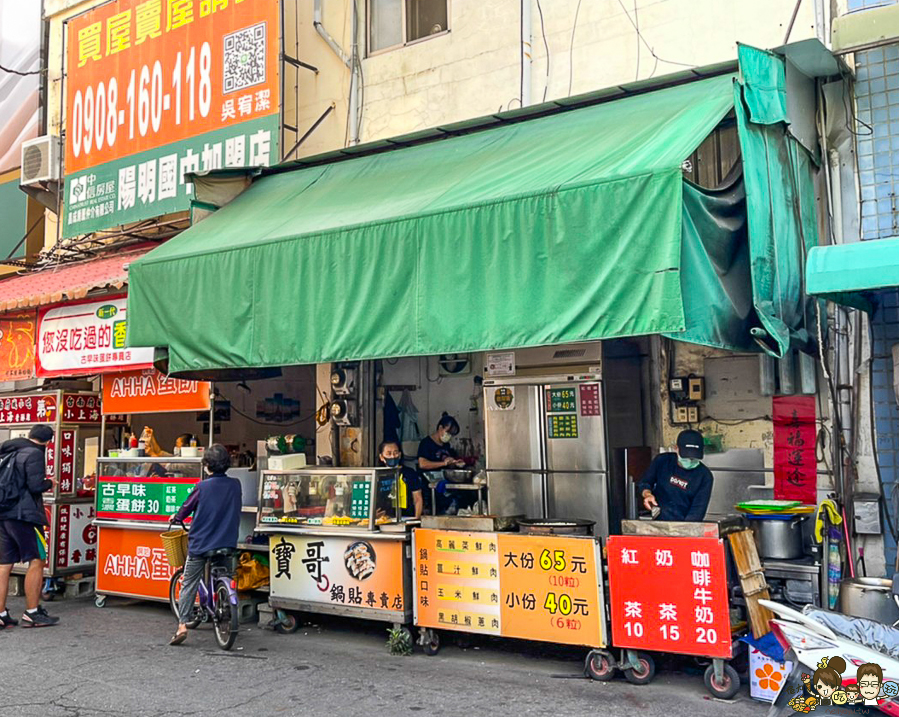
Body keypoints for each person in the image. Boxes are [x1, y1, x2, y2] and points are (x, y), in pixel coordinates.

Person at [168, 444, 241, 646]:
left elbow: (185, 509)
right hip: (227, 541)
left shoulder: (202, 487)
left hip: (201, 543)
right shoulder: (235, 484)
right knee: (226, 574)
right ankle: (225, 602)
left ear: (207, 465)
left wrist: (176, 517)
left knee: (189, 581)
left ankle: (182, 625)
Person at [0, 425, 59, 628]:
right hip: (25, 515)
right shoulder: (34, 453)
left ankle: (0, 613)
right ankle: (32, 612)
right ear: (47, 441)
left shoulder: (9, 450)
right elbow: (35, 485)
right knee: (37, 560)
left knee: (4, 564)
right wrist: (50, 482)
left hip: (4, 513)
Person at [638, 429, 713, 522]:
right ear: (676, 448)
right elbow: (645, 482)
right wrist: (647, 494)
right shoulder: (662, 461)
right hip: (657, 521)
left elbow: (697, 512)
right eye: (686, 457)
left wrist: (683, 530)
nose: (690, 460)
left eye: (694, 458)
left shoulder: (704, 476)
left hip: (685, 524)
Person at [417, 413, 465, 514]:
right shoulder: (426, 443)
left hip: (443, 482)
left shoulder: (446, 445)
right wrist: (443, 463)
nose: (449, 436)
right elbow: (422, 464)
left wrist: (454, 463)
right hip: (429, 487)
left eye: (452, 434)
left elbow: (447, 463)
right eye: (448, 432)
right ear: (440, 428)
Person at [378, 440, 423, 519]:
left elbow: (418, 498)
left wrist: (416, 519)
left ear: (400, 454)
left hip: (407, 517)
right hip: (384, 519)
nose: (392, 456)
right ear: (381, 457)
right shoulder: (378, 475)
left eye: (395, 453)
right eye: (389, 453)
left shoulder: (410, 473)